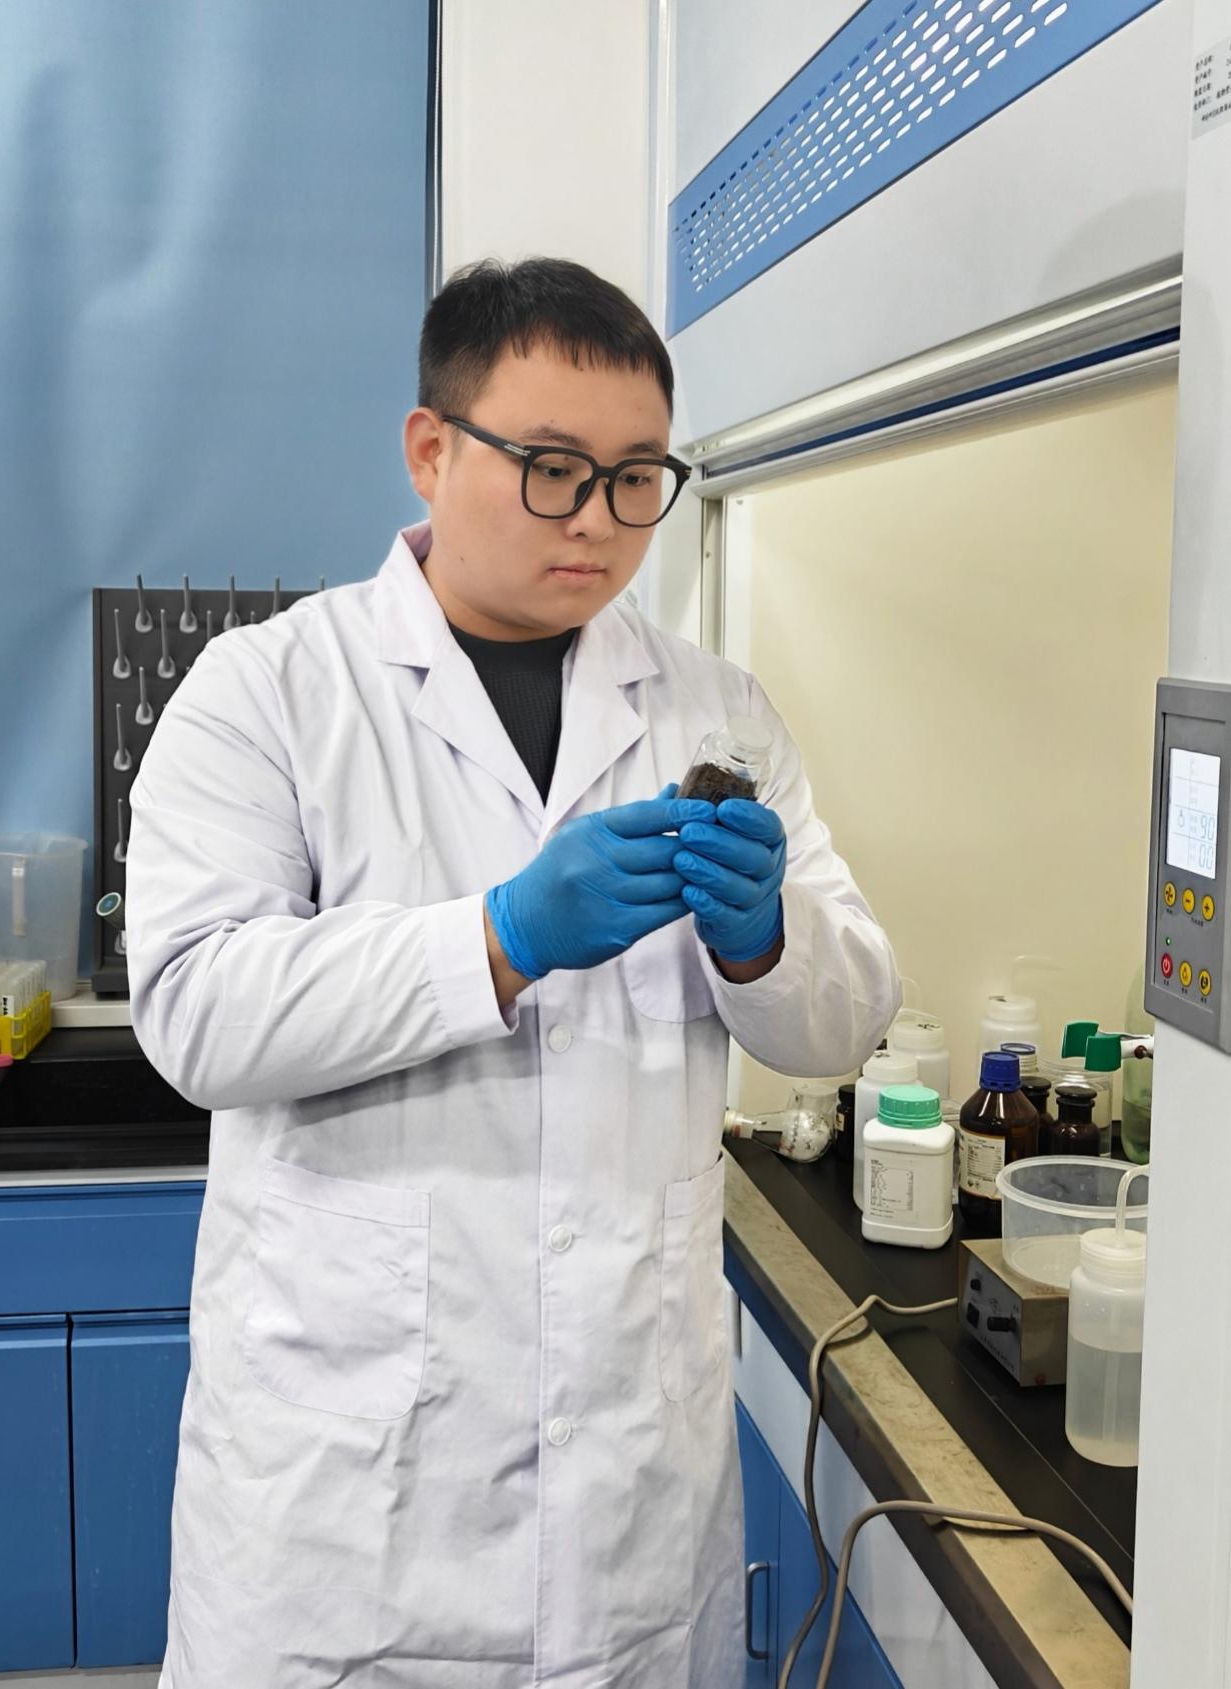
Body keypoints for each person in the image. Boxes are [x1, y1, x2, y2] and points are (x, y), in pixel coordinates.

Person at [126, 255, 900, 1688]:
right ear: (431, 449)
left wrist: (765, 939)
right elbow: (196, 1010)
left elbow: (846, 1016)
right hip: (347, 1522)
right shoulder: (268, 691)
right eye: (552, 469)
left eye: (636, 477)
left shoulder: (713, 706)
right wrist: (497, 939)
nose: (598, 519)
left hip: (628, 1506)